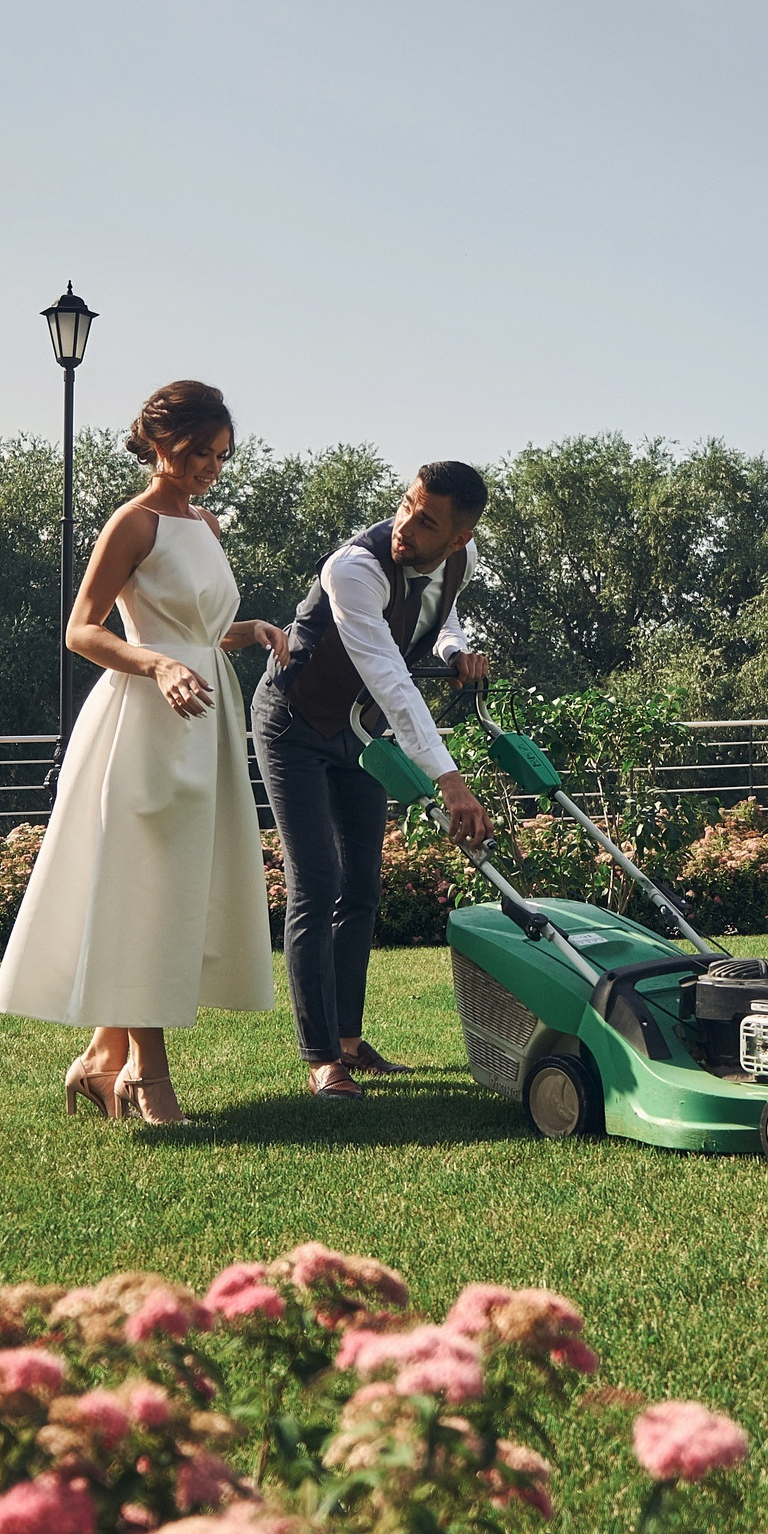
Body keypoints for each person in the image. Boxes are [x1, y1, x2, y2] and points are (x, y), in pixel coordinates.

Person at [0, 380, 287, 1126]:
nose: (209, 469)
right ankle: (143, 1074)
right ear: (159, 445)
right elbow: (82, 630)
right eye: (196, 454)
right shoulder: (133, 522)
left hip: (206, 718)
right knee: (147, 884)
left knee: (180, 887)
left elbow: (193, 622)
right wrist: (157, 664)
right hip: (144, 723)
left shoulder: (206, 525)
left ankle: (100, 1058)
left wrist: (242, 632)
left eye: (220, 456)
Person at [253, 462, 494, 1101]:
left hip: (358, 733)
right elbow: (389, 677)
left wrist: (452, 651)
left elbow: (436, 616)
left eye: (427, 521)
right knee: (317, 881)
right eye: (408, 506)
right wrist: (449, 779)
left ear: (460, 538)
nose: (405, 527)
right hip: (294, 724)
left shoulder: (453, 565)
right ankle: (320, 1057)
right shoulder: (353, 569)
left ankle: (351, 1042)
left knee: (360, 886)